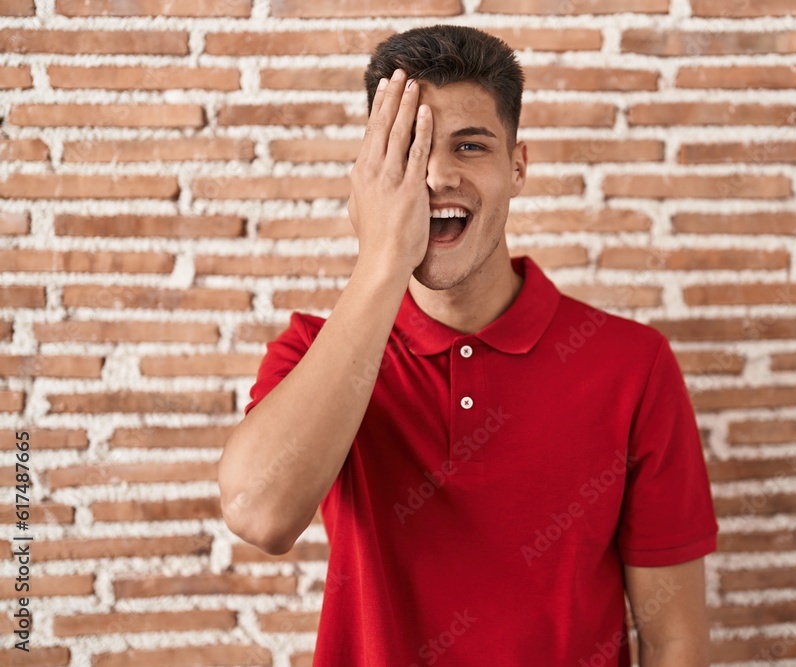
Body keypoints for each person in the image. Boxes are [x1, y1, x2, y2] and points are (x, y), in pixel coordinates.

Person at [218, 24, 718, 667]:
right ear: (371, 178)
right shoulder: (313, 353)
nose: (436, 175)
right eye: (409, 150)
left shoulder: (633, 364)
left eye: (470, 145)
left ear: (518, 167)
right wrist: (382, 260)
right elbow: (260, 516)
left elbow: (674, 638)